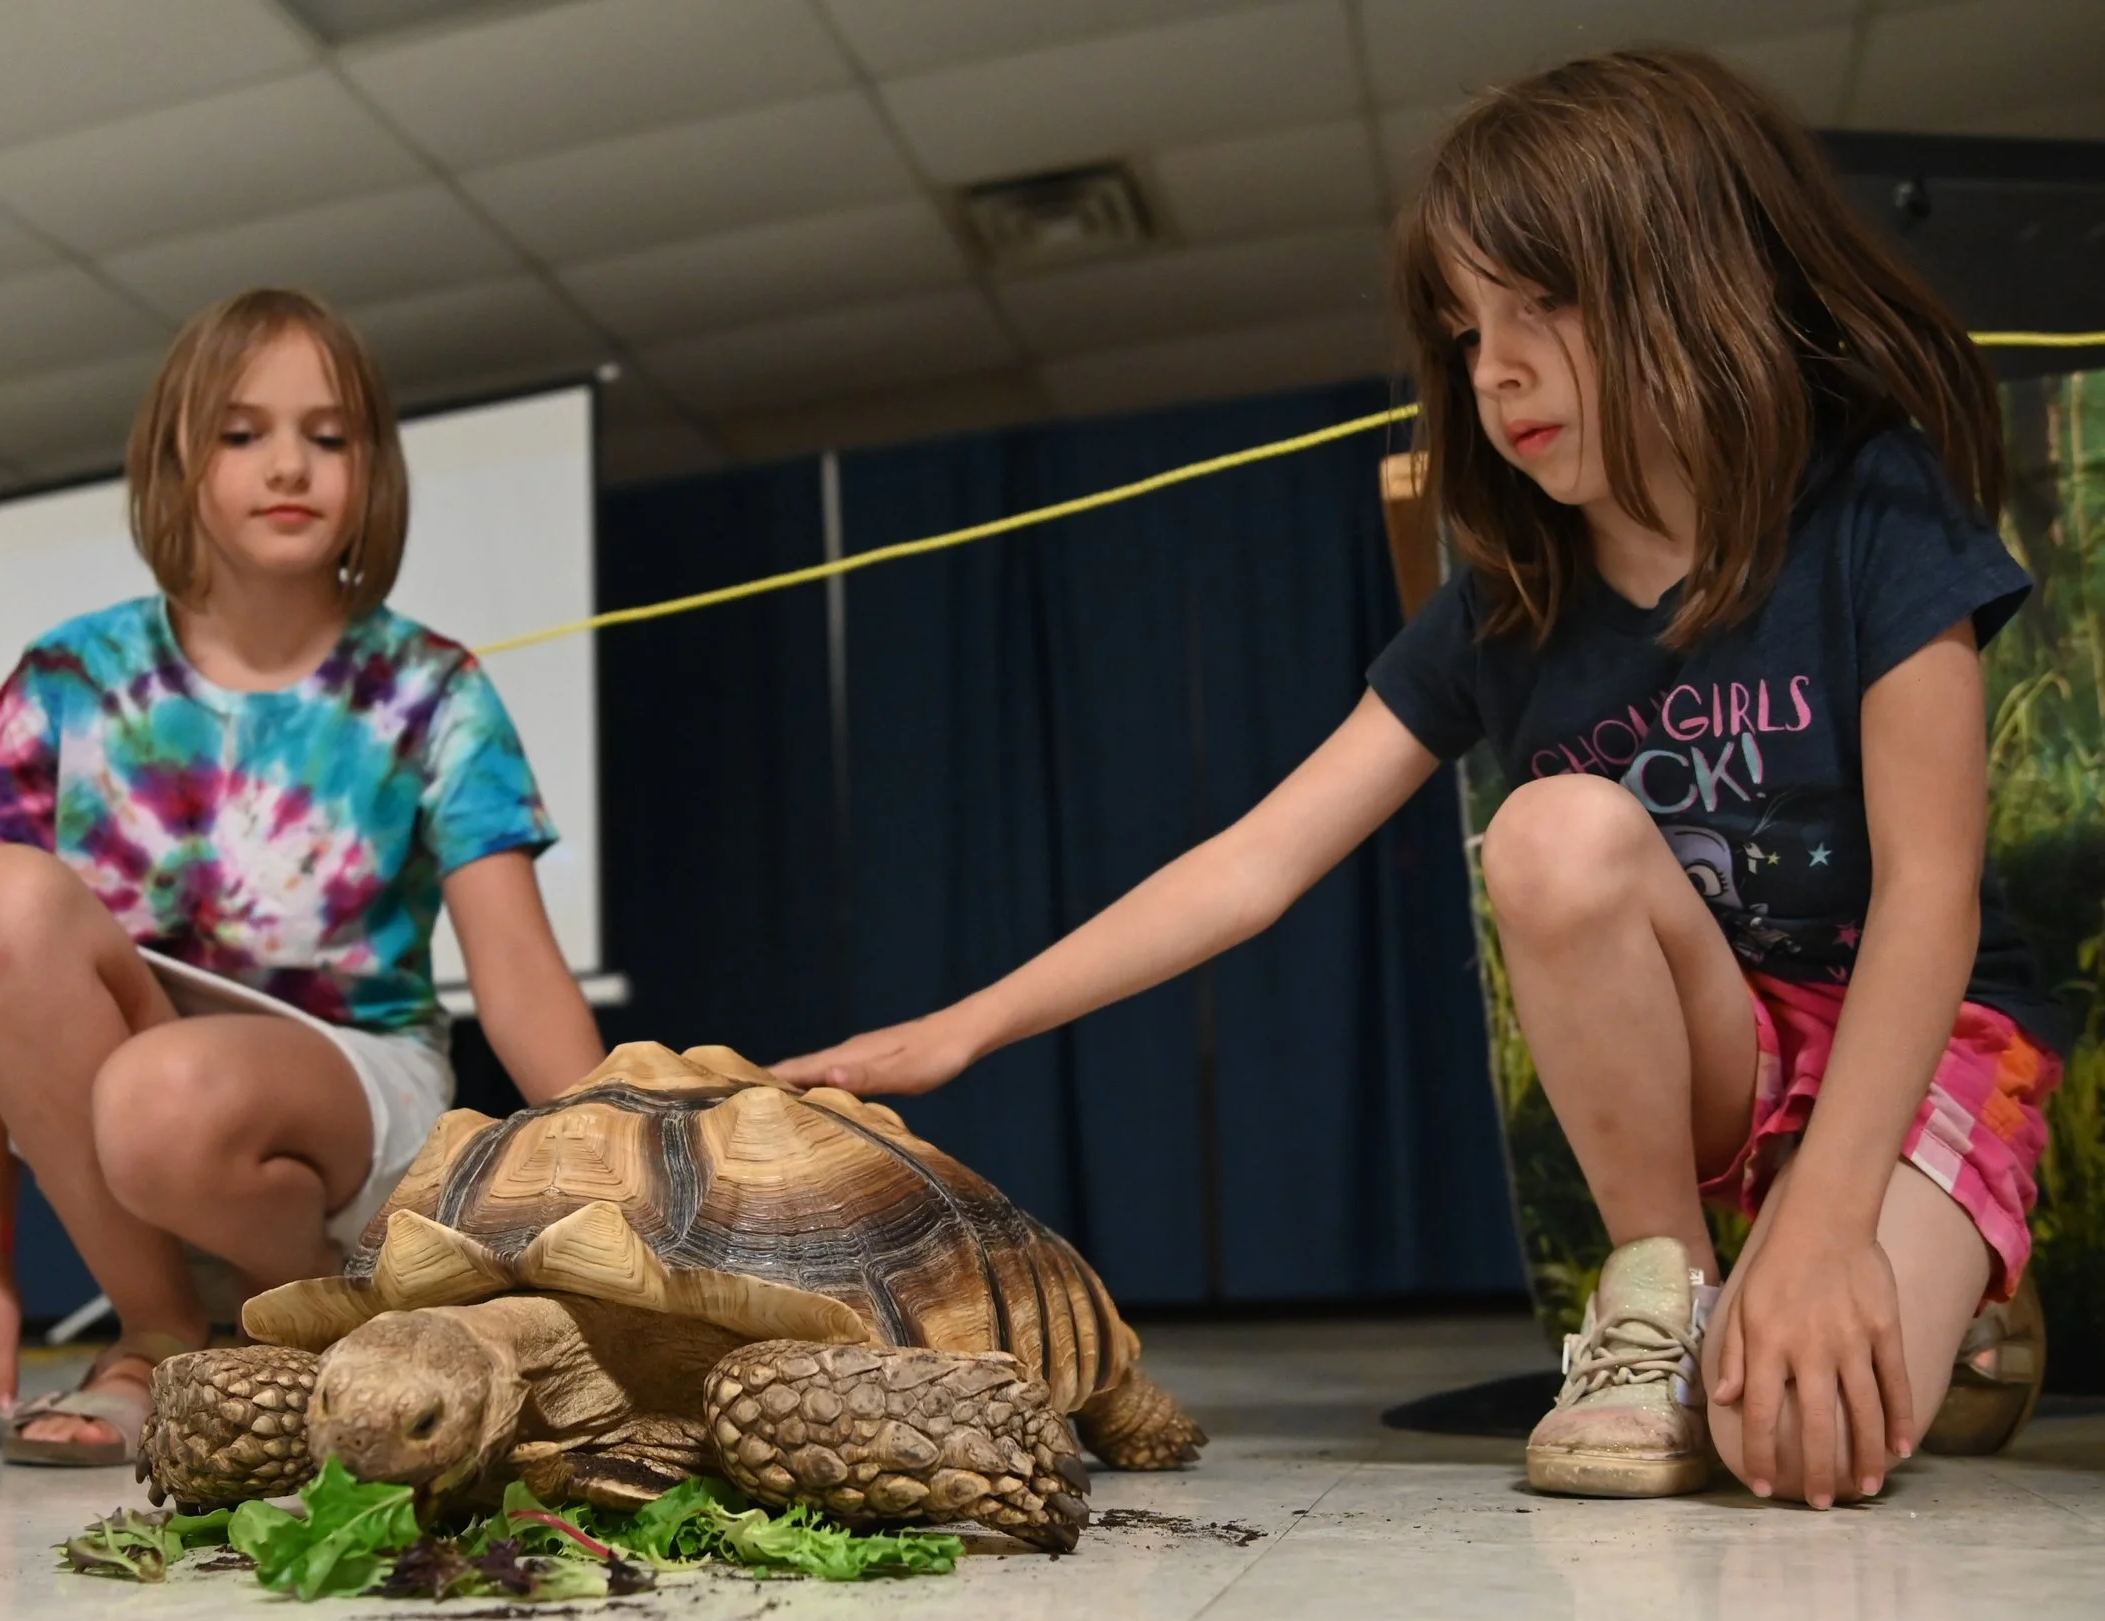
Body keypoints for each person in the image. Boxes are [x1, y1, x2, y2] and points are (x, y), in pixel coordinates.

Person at [774, 48, 2060, 1511]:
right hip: (1728, 1044)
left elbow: (1931, 899)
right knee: (1552, 836)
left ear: (1699, 275)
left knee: (1806, 1436)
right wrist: (964, 1027)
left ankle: (1958, 1305)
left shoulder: (1873, 507)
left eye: (1541, 305)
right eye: (1461, 330)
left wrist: (1832, 1223)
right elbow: (1252, 866)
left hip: (1925, 1032)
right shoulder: (1508, 598)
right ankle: (1669, 1290)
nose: (1493, 367)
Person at [0, 290, 604, 1463]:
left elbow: (518, 981)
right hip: (139, 1120)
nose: (289, 467)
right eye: (242, 432)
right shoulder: (67, 677)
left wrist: (651, 1220)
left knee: (162, 1091)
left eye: (329, 435)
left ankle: (339, 1316)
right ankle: (158, 1328)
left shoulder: (432, 686)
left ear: (371, 466)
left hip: (359, 1103)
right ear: (178, 457)